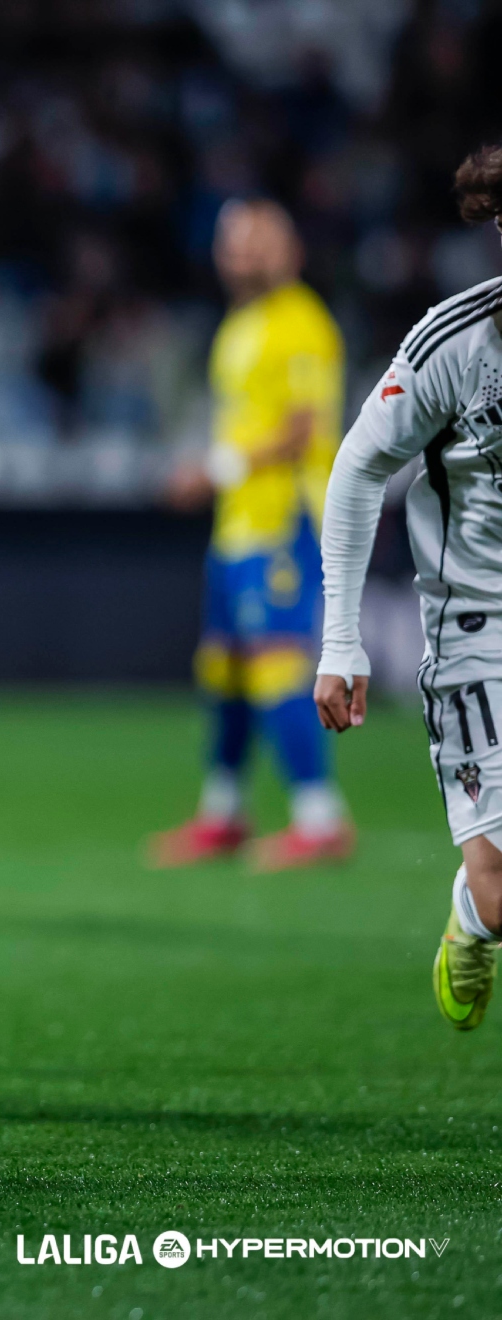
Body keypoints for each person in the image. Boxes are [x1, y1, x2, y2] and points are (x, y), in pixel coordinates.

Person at [318, 145, 502, 1031]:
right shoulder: (453, 343)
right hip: (480, 627)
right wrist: (340, 640)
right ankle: (474, 909)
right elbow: (358, 470)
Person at [151, 200, 351, 871]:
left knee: (275, 662)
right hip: (237, 523)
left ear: (290, 251)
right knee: (227, 669)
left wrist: (215, 470)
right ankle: (225, 813)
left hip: (285, 517)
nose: (245, 255)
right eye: (234, 244)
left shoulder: (301, 322)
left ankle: (321, 819)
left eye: (259, 243)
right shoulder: (238, 326)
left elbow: (301, 429)